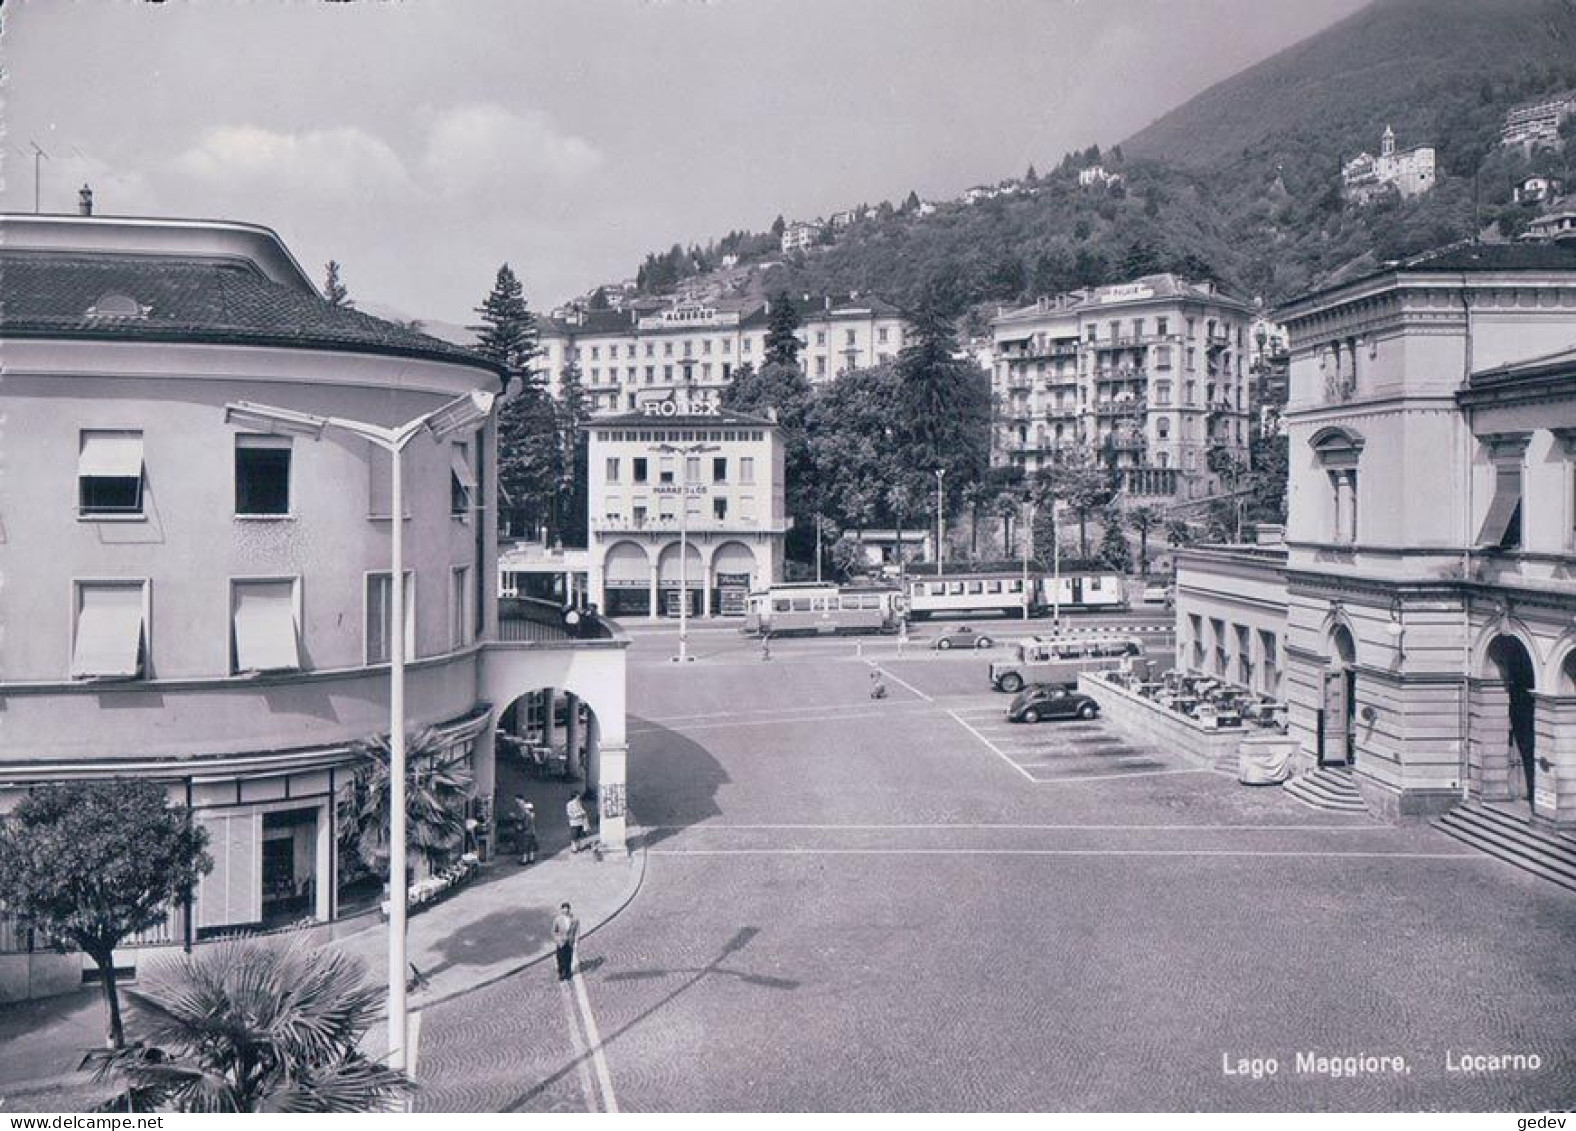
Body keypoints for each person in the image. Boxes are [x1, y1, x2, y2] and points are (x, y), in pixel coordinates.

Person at [552, 902, 580, 982]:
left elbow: (577, 931)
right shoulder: (557, 919)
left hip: (570, 942)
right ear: (561, 910)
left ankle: (568, 972)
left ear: (569, 910)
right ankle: (561, 973)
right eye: (564, 909)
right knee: (560, 958)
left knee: (568, 957)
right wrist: (557, 940)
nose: (566, 910)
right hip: (561, 942)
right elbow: (554, 931)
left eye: (567, 909)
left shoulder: (574, 920)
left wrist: (576, 942)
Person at [514, 795, 538, 866]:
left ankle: (524, 860)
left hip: (526, 833)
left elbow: (526, 825)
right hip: (532, 832)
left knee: (525, 847)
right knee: (531, 847)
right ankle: (531, 859)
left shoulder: (527, 815)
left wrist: (520, 828)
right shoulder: (532, 815)